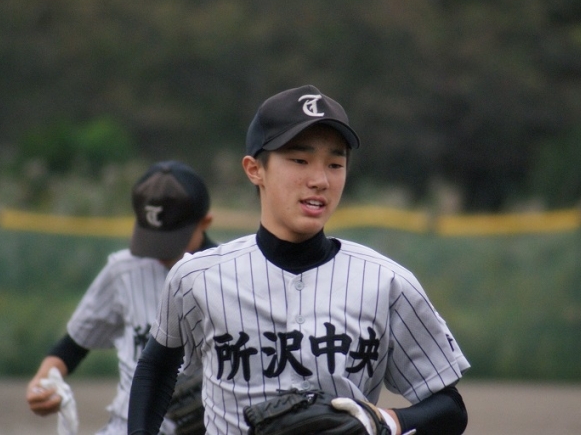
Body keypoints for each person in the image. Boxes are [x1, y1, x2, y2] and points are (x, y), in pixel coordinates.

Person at [128, 85, 470, 435]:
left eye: (335, 164)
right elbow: (156, 368)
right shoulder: (195, 278)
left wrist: (384, 421)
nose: (320, 180)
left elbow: (450, 408)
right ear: (254, 169)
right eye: (299, 161)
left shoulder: (387, 283)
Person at [26, 160, 216, 435]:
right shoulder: (123, 270)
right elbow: (73, 346)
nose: (159, 251)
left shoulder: (229, 275)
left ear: (205, 222)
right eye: (152, 238)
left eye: (171, 240)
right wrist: (44, 382)